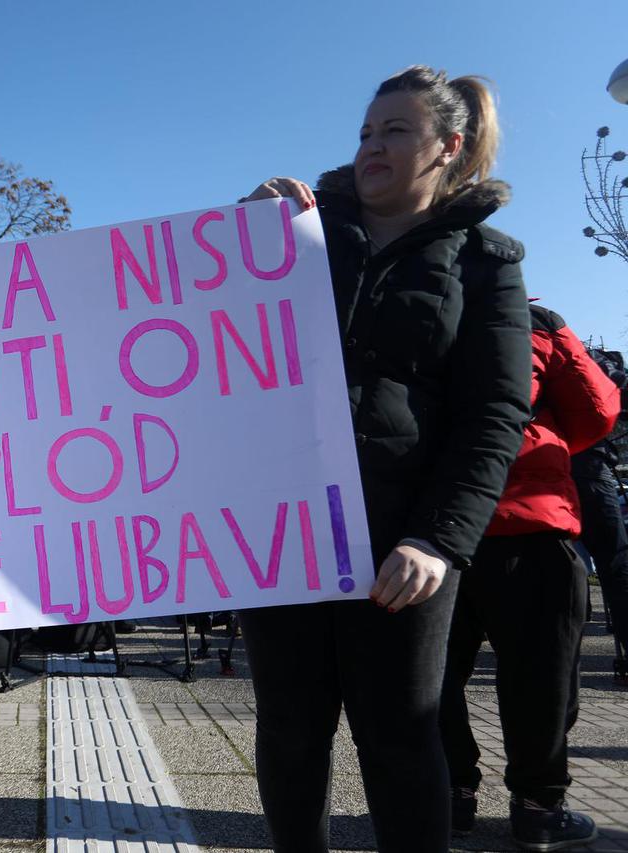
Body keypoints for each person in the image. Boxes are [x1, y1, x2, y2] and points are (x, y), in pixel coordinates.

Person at [236, 66, 533, 851]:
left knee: (401, 739)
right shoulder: (298, 228)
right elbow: (215, 346)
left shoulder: (485, 261)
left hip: (402, 543)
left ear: (449, 146)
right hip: (287, 527)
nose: (372, 146)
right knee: (290, 732)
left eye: (396, 131)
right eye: (367, 131)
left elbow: (495, 412)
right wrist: (235, 240)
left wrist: (438, 537)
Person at [440, 302, 618, 848]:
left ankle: (449, 795)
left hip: (431, 529)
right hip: (531, 521)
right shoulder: (528, 320)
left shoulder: (395, 311)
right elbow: (596, 412)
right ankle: (538, 808)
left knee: (430, 679)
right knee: (542, 679)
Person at [571, 349, 628, 678]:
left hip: (542, 469)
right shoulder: (595, 366)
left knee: (562, 563)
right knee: (616, 563)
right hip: (592, 470)